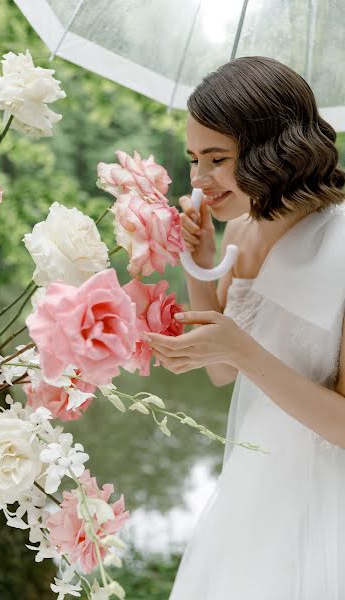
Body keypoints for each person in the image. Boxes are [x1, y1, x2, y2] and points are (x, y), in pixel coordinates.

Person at [143, 56, 345, 599]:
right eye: (193, 159)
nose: (199, 180)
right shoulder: (237, 234)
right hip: (252, 490)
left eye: (217, 158)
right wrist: (200, 263)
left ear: (273, 152)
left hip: (326, 503)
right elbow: (222, 373)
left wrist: (247, 350)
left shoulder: (342, 244)